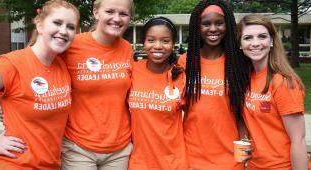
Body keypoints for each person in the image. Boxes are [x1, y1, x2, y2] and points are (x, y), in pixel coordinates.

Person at [0, 0, 79, 169]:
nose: (63, 31)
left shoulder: (62, 65)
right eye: (57, 23)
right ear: (39, 25)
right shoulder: (10, 64)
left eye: (70, 27)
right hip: (12, 165)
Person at [60, 0, 134, 169]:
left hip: (119, 149)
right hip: (78, 147)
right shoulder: (72, 45)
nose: (117, 18)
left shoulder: (126, 49)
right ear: (96, 12)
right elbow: (41, 70)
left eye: (123, 14)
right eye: (110, 12)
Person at [181, 0, 250, 169]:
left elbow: (242, 113)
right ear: (197, 27)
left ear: (228, 26)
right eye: (206, 24)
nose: (213, 29)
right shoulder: (185, 62)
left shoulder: (239, 64)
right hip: (192, 157)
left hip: (230, 159)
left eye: (219, 23)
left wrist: (245, 156)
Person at [237, 14, 308, 170]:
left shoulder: (283, 82)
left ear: (272, 41)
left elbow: (299, 140)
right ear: (240, 44)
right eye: (248, 38)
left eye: (262, 36)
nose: (255, 43)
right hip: (256, 166)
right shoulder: (245, 79)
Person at [128, 17, 187, 170]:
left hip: (174, 163)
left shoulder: (181, 76)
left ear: (173, 44)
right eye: (151, 40)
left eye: (165, 41)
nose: (158, 46)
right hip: (138, 162)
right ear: (143, 42)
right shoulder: (132, 70)